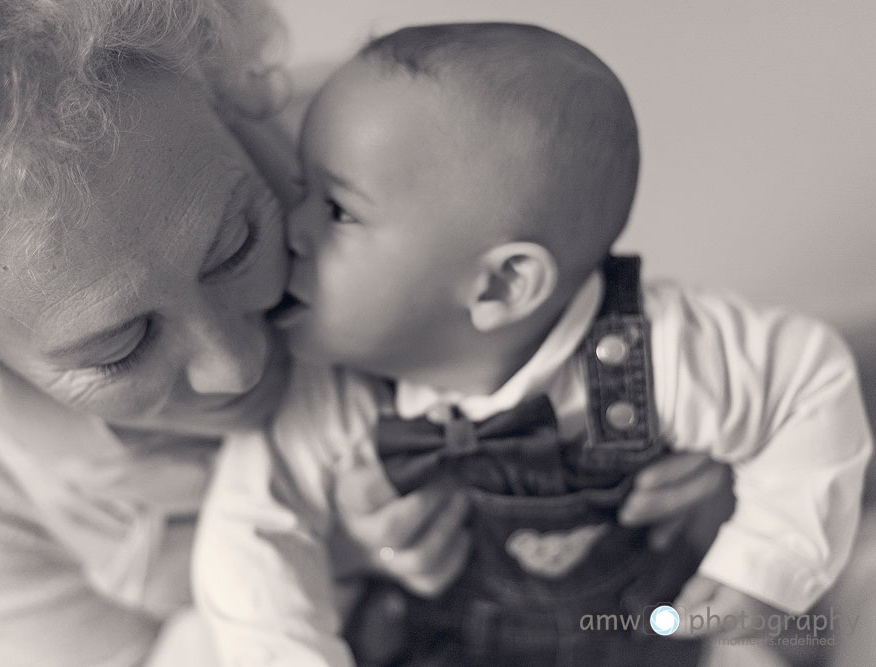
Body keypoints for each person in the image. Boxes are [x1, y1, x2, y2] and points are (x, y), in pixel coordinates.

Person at [194, 22, 873, 667]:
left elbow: (807, 383)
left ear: (502, 285)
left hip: (661, 639)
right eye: (301, 192)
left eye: (337, 209)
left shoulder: (656, 350)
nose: (291, 227)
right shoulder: (331, 394)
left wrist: (766, 562)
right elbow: (248, 535)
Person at [0, 2, 492, 665]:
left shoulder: (393, 139)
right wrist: (305, 563)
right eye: (121, 348)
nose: (239, 366)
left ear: (228, 98)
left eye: (236, 246)